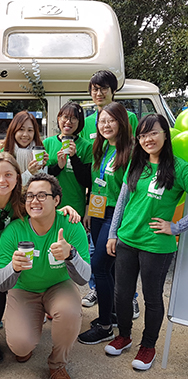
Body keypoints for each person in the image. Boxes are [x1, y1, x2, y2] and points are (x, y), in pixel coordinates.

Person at [0, 154, 80, 379]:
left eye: (8, 174)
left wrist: (66, 209)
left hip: (2, 245)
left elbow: (42, 207)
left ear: (16, 178)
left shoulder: (19, 199)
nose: (2, 180)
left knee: (0, 289)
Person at [0, 173, 90, 379]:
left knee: (68, 313)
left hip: (58, 286)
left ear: (56, 200)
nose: (34, 201)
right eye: (29, 196)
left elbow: (84, 278)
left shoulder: (71, 226)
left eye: (41, 195)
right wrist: (13, 268)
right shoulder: (14, 230)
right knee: (20, 345)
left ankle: (57, 366)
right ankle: (30, 328)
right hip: (25, 289)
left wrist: (71, 255)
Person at [105, 114, 188, 370]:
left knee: (152, 299)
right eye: (142, 135)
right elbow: (122, 200)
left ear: (166, 133)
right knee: (122, 293)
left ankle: (148, 346)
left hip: (156, 246)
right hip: (127, 240)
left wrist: (176, 227)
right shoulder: (137, 163)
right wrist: (112, 233)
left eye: (153, 133)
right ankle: (124, 336)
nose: (147, 139)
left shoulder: (180, 167)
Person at [80, 70, 139, 310]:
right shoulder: (89, 128)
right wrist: (87, 206)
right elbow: (94, 176)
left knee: (111, 260)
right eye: (94, 88)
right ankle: (102, 294)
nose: (98, 92)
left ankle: (127, 301)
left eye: (103, 88)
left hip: (117, 208)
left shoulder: (129, 119)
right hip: (97, 206)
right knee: (101, 256)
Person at [77, 102, 133, 345]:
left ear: (122, 122)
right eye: (102, 121)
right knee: (106, 269)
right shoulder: (101, 148)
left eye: (111, 120)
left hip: (114, 215)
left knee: (99, 266)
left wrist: (117, 227)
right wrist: (90, 210)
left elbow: (129, 194)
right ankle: (110, 315)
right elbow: (96, 183)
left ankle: (105, 326)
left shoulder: (130, 152)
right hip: (98, 211)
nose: (106, 125)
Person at [44, 102, 92, 218]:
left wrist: (74, 158)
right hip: (49, 206)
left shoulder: (86, 146)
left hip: (76, 207)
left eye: (74, 118)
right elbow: (42, 176)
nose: (68, 122)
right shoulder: (47, 143)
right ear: (58, 118)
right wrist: (59, 167)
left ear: (80, 122)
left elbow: (87, 181)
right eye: (65, 117)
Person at [81, 70, 138, 143]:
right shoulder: (86, 123)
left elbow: (136, 147)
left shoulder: (128, 117)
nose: (99, 94)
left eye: (104, 89)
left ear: (114, 90)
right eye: (95, 89)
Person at [2, 111, 48, 185]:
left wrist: (40, 169)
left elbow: (43, 183)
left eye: (30, 130)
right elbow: (6, 184)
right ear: (13, 130)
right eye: (21, 129)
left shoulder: (40, 151)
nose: (25, 134)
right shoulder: (4, 153)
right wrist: (29, 173)